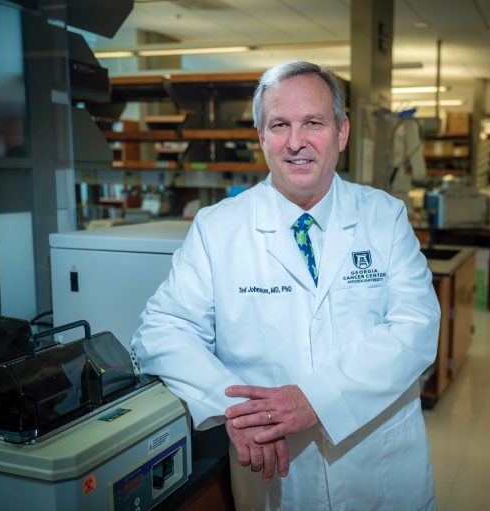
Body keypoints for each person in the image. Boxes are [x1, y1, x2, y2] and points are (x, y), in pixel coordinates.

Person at [132, 60, 441, 510]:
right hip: (279, 475)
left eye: (313, 123)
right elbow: (162, 330)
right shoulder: (217, 229)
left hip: (381, 467)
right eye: (279, 125)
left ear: (341, 132)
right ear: (261, 138)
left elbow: (416, 327)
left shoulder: (384, 217)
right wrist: (237, 411)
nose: (296, 142)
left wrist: (317, 400)